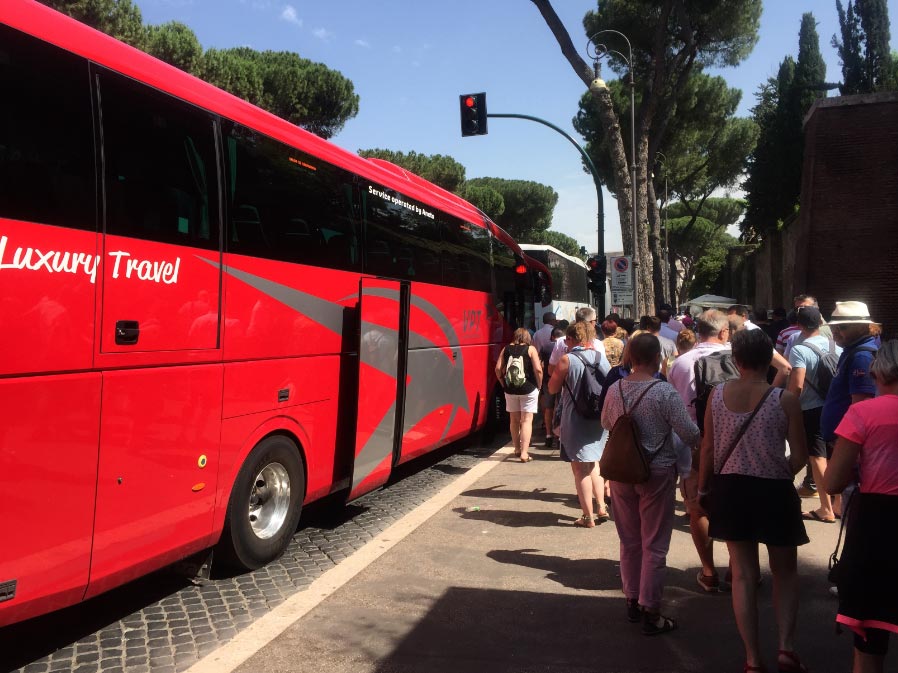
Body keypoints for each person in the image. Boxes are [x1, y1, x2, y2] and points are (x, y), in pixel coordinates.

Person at [696, 329, 809, 673]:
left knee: (743, 574)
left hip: (731, 489)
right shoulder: (784, 400)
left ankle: (752, 659)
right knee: (785, 572)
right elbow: (801, 456)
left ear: (736, 360)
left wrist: (702, 491)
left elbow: (709, 449)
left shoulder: (717, 396)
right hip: (774, 490)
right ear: (768, 359)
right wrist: (781, 469)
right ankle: (786, 648)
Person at [601, 333, 700, 635]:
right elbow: (690, 433)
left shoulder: (615, 388)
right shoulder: (664, 392)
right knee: (654, 545)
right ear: (658, 357)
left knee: (629, 541)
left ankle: (631, 600)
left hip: (621, 471)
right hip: (657, 473)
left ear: (631, 357)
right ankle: (652, 610)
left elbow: (606, 423)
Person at [824, 339, 898, 673]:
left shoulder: (862, 413)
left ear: (878, 370)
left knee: (870, 629)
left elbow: (833, 482)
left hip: (876, 524)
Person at [667, 309, 731, 592]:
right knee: (734, 506)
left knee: (698, 508)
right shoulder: (738, 358)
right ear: (724, 332)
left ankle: (708, 572)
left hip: (693, 445)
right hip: (734, 443)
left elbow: (675, 408)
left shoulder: (680, 363)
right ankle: (740, 569)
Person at [548, 322, 611, 527]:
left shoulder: (567, 360)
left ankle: (587, 516)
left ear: (571, 339)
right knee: (593, 463)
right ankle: (601, 506)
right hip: (598, 418)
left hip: (575, 419)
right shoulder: (602, 359)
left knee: (579, 470)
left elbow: (552, 388)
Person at [787, 305, 842, 523]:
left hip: (812, 408)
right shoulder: (836, 345)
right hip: (836, 405)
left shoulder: (799, 349)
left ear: (799, 325)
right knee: (836, 452)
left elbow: (797, 384)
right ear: (820, 323)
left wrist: (788, 405)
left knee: (817, 457)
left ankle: (825, 507)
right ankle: (839, 502)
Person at [495, 327, 543, 463]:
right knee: (527, 420)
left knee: (514, 420)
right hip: (528, 389)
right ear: (527, 337)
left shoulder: (506, 349)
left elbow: (498, 368)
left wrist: (503, 382)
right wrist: (539, 385)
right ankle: (524, 453)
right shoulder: (530, 349)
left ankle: (516, 448)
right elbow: (538, 370)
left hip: (510, 389)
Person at [539, 326, 565, 448]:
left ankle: (548, 435)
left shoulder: (545, 347)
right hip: (562, 381)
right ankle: (559, 436)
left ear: (552, 336)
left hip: (547, 381)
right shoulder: (565, 346)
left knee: (548, 408)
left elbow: (541, 364)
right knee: (560, 407)